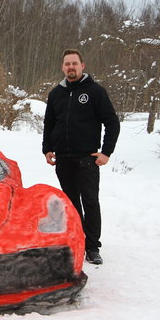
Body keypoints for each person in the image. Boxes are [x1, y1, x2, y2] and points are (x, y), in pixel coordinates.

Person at [42, 49, 120, 265]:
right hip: (63, 159)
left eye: (74, 63)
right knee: (70, 203)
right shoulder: (55, 94)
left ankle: (93, 247)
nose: (71, 67)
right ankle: (75, 240)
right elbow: (49, 123)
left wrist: (106, 152)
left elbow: (112, 122)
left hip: (87, 158)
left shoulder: (95, 92)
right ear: (62, 67)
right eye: (67, 64)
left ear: (82, 65)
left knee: (90, 202)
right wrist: (47, 148)